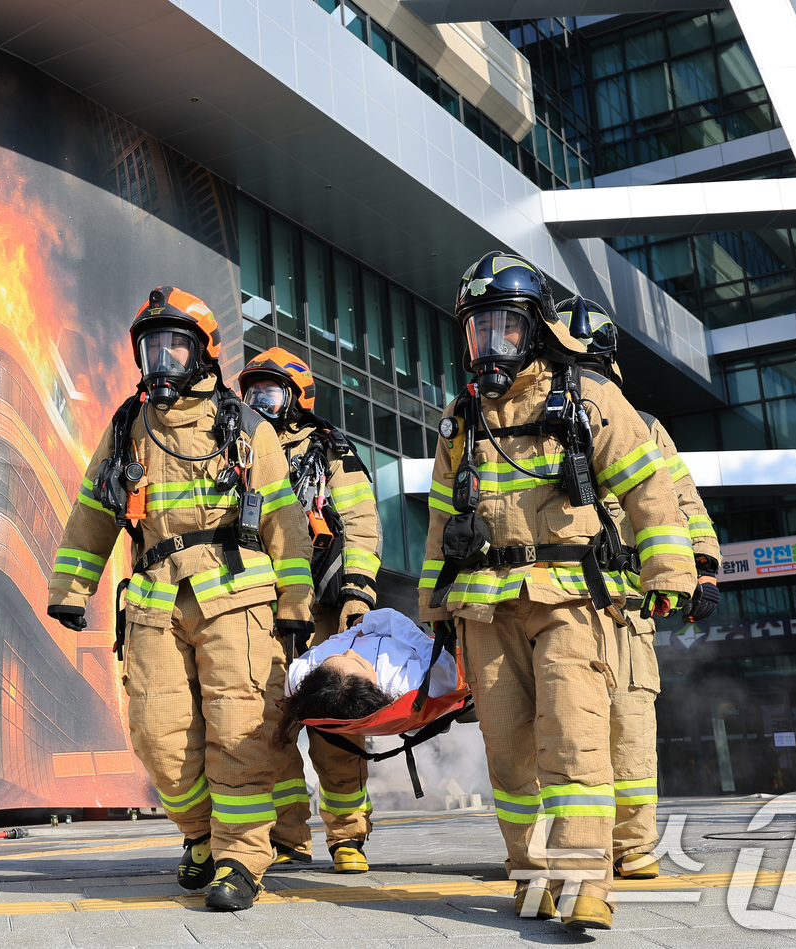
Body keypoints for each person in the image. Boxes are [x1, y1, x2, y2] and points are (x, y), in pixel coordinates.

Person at [418, 252, 696, 932]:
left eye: (504, 329)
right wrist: (436, 612)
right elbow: (439, 521)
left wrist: (671, 574)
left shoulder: (590, 397)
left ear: (536, 328)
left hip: (572, 597)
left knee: (573, 738)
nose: (489, 344)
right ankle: (530, 875)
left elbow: (651, 490)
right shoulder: (462, 418)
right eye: (478, 330)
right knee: (509, 751)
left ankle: (581, 879)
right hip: (487, 606)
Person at [47, 288, 315, 911]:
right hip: (152, 601)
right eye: (152, 349)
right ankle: (199, 835)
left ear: (203, 354)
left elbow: (286, 524)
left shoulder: (243, 426)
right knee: (157, 734)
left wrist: (296, 605)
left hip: (237, 599)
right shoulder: (126, 428)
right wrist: (70, 586)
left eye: (175, 347)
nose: (162, 361)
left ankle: (243, 859)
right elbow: (93, 511)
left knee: (240, 731)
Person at [553, 295, 722, 881]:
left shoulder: (645, 428)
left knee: (630, 729)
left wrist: (700, 567)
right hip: (560, 601)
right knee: (566, 732)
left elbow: (682, 502)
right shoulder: (534, 420)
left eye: (593, 365)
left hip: (627, 605)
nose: (585, 378)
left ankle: (633, 846)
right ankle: (573, 849)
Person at [237, 347, 382, 873]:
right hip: (258, 611)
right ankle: (287, 837)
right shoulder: (238, 446)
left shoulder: (331, 452)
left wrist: (356, 597)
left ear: (298, 398)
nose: (260, 404)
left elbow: (362, 525)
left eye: (270, 394)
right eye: (252, 394)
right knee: (269, 730)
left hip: (323, 613)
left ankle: (347, 837)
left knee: (335, 728)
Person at [275, 608, 460, 739]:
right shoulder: (402, 685)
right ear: (371, 688)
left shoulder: (302, 676)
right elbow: (442, 664)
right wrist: (385, 619)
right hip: (397, 635)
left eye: (335, 657)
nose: (350, 652)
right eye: (358, 662)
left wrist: (358, 628)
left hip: (362, 626)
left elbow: (338, 641)